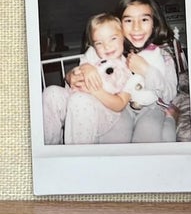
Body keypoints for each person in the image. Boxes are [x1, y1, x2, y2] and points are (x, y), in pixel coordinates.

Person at [42, 13, 144, 145]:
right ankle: (49, 148)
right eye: (99, 43)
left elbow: (120, 104)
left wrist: (95, 91)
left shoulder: (129, 68)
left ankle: (78, 157)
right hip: (73, 98)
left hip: (104, 112)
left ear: (123, 37)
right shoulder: (92, 54)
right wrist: (85, 67)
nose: (106, 46)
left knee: (80, 100)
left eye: (112, 39)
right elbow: (74, 75)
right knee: (51, 92)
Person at [112, 0, 183, 142]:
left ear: (154, 23)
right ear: (119, 25)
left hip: (153, 107)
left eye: (144, 20)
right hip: (124, 106)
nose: (136, 27)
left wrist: (146, 70)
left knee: (148, 133)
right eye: (128, 20)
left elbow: (170, 93)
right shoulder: (115, 52)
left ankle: (170, 118)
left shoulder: (163, 56)